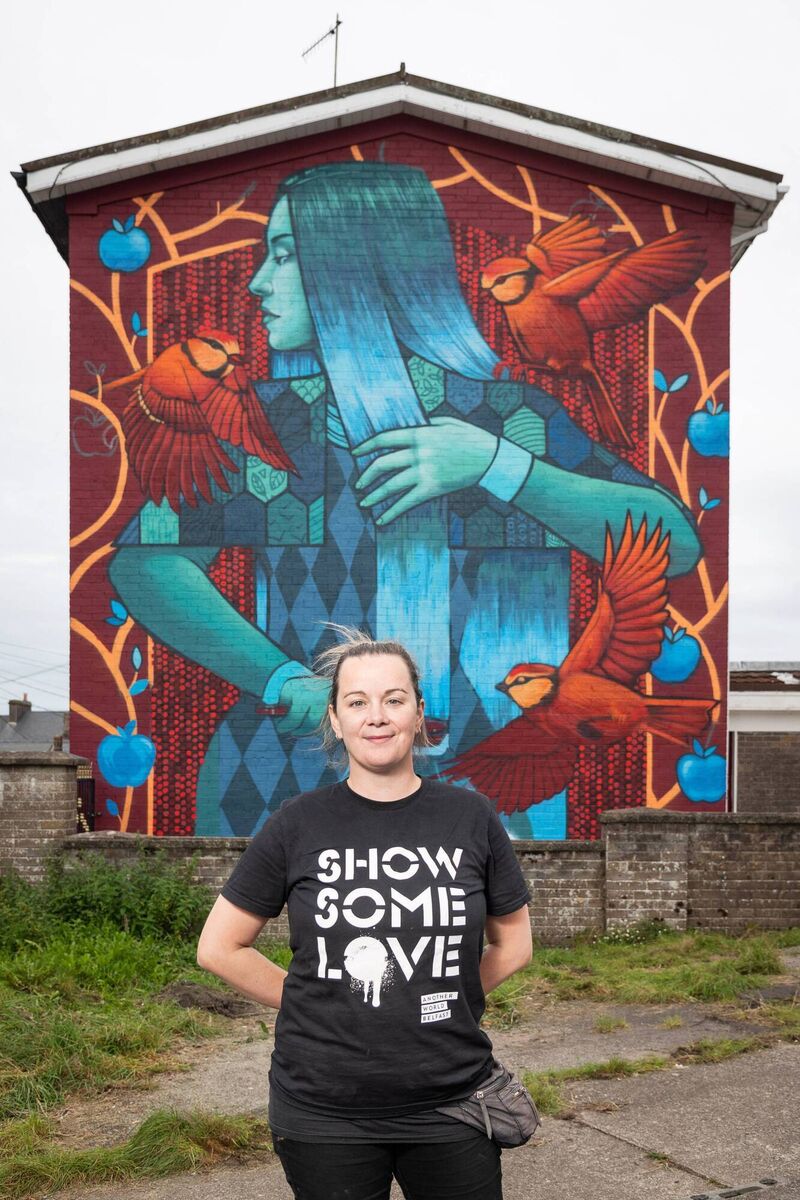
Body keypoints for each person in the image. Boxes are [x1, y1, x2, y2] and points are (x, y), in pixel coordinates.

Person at [109, 161, 702, 837]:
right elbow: (145, 562)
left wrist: (496, 466)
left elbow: (674, 545)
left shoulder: (507, 419)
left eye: (284, 255)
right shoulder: (274, 427)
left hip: (488, 782)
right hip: (285, 775)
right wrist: (280, 678)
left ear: (355, 267)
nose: (257, 284)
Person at [196, 628, 533, 1199]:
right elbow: (219, 948)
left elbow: (514, 945)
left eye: (393, 699)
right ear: (335, 718)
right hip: (324, 1111)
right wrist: (323, 1000)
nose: (376, 716)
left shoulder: (471, 817)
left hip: (451, 1101)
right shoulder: (296, 824)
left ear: (418, 713)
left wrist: (442, 993)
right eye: (357, 702)